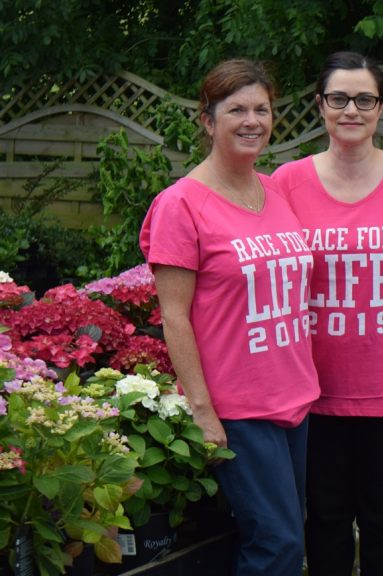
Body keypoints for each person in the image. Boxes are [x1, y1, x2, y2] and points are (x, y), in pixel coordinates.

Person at [271, 51, 383, 576]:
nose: (351, 109)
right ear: (321, 106)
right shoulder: (285, 182)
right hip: (312, 390)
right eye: (339, 98)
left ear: (381, 107)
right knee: (323, 520)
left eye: (364, 99)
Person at [140, 59, 320, 576]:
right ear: (206, 118)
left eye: (261, 109)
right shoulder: (181, 205)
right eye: (236, 109)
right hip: (238, 407)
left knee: (285, 536)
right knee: (277, 545)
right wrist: (202, 410)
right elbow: (174, 317)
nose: (252, 120)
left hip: (294, 396)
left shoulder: (276, 190)